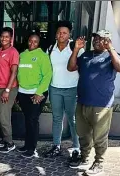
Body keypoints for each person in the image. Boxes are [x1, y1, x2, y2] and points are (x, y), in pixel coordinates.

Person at [67, 30, 120, 176]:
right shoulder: (86, 55)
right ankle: (84, 157)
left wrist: (110, 49)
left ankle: (99, 162)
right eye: (95, 38)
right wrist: (76, 50)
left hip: (102, 104)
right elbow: (71, 67)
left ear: (108, 41)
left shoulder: (112, 56)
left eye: (101, 39)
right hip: (82, 102)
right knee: (83, 133)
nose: (96, 41)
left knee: (99, 136)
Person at [44, 21, 85, 158]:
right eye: (59, 32)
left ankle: (77, 148)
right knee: (56, 118)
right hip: (55, 88)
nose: (61, 35)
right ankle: (56, 146)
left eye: (64, 33)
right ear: (56, 34)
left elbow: (81, 68)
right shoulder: (50, 49)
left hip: (71, 89)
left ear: (69, 35)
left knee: (73, 119)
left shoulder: (76, 48)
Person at [16, 32, 52, 158]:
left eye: (35, 41)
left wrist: (39, 93)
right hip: (23, 93)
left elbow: (47, 75)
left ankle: (32, 149)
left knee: (33, 120)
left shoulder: (42, 56)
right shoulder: (22, 55)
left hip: (36, 94)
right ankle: (27, 145)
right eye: (30, 41)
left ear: (39, 43)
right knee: (27, 120)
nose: (32, 43)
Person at [0, 27, 19, 153]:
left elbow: (14, 72)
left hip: (7, 88)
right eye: (2, 36)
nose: (4, 39)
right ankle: (4, 138)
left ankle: (10, 142)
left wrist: (7, 90)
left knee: (3, 116)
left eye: (7, 36)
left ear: (11, 38)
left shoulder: (13, 52)